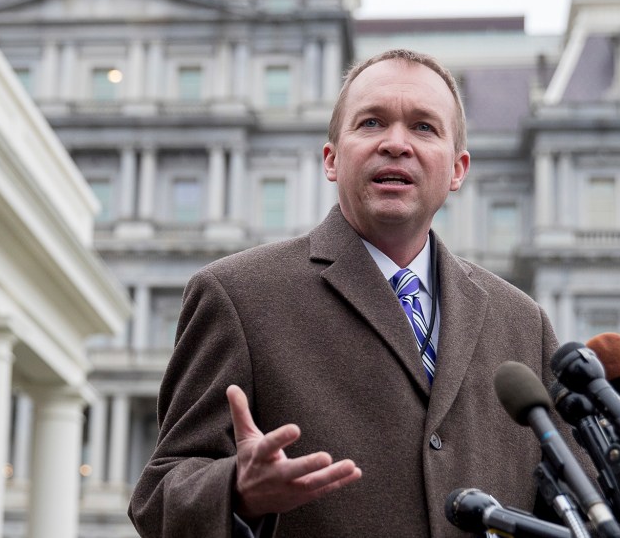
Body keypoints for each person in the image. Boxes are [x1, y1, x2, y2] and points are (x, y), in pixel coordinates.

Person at [129, 48, 560, 537]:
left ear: (458, 169)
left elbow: (571, 503)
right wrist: (237, 491)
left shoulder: (524, 323)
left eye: (424, 127)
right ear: (332, 159)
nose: (396, 144)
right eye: (372, 123)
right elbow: (159, 497)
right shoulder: (236, 295)